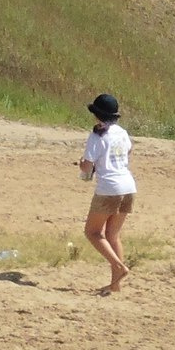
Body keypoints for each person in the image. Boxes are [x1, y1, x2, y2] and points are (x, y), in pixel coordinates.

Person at [78, 92, 135, 294]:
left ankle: (119, 267)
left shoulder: (97, 135)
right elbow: (128, 152)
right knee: (113, 235)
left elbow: (86, 167)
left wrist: (82, 165)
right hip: (128, 185)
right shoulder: (122, 132)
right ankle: (115, 284)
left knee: (92, 232)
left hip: (109, 187)